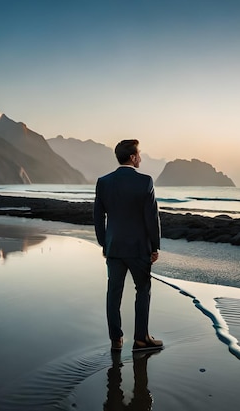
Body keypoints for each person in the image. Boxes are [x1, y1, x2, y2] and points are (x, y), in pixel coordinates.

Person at [94, 139, 163, 352]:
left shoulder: (103, 182)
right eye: (139, 154)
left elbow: (98, 217)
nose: (140, 158)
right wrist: (155, 246)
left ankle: (116, 339)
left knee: (113, 292)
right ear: (133, 157)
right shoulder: (145, 182)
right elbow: (152, 218)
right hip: (138, 248)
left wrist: (104, 243)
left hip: (114, 247)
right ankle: (141, 338)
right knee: (143, 289)